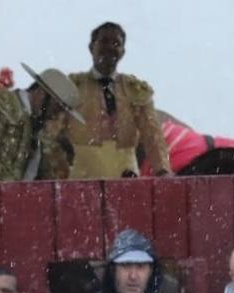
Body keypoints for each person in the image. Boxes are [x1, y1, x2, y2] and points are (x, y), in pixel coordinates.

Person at [46, 22, 170, 179]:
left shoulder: (135, 90)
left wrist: (162, 170)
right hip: (82, 179)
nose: (110, 47)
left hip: (126, 178)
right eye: (104, 41)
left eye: (116, 43)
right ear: (91, 47)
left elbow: (153, 135)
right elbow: (49, 134)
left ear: (123, 52)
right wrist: (59, 170)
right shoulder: (73, 86)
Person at [0, 64, 80, 183]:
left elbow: (47, 177)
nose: (56, 115)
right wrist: (15, 190)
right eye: (57, 107)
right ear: (42, 93)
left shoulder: (42, 132)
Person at [73, 228, 178, 293]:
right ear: (113, 270)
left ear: (150, 271)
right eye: (126, 265)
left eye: (140, 266)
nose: (133, 276)